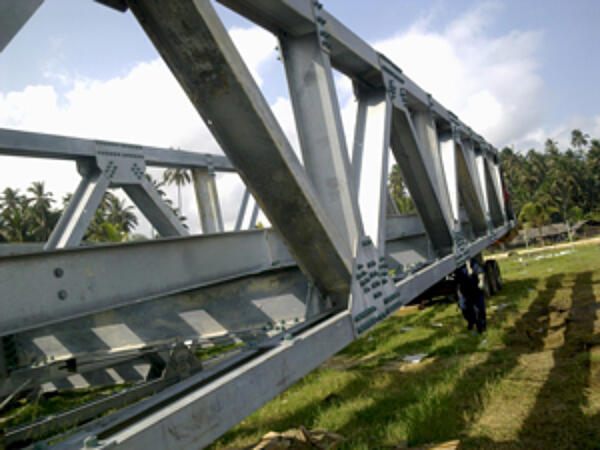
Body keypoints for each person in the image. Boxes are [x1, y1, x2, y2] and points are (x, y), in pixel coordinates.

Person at [455, 258, 487, 333]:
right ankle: (471, 321)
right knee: (464, 308)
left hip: (475, 290)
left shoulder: (473, 262)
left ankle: (481, 327)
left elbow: (480, 272)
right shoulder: (457, 266)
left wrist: (481, 281)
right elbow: (455, 279)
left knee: (479, 310)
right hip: (464, 291)